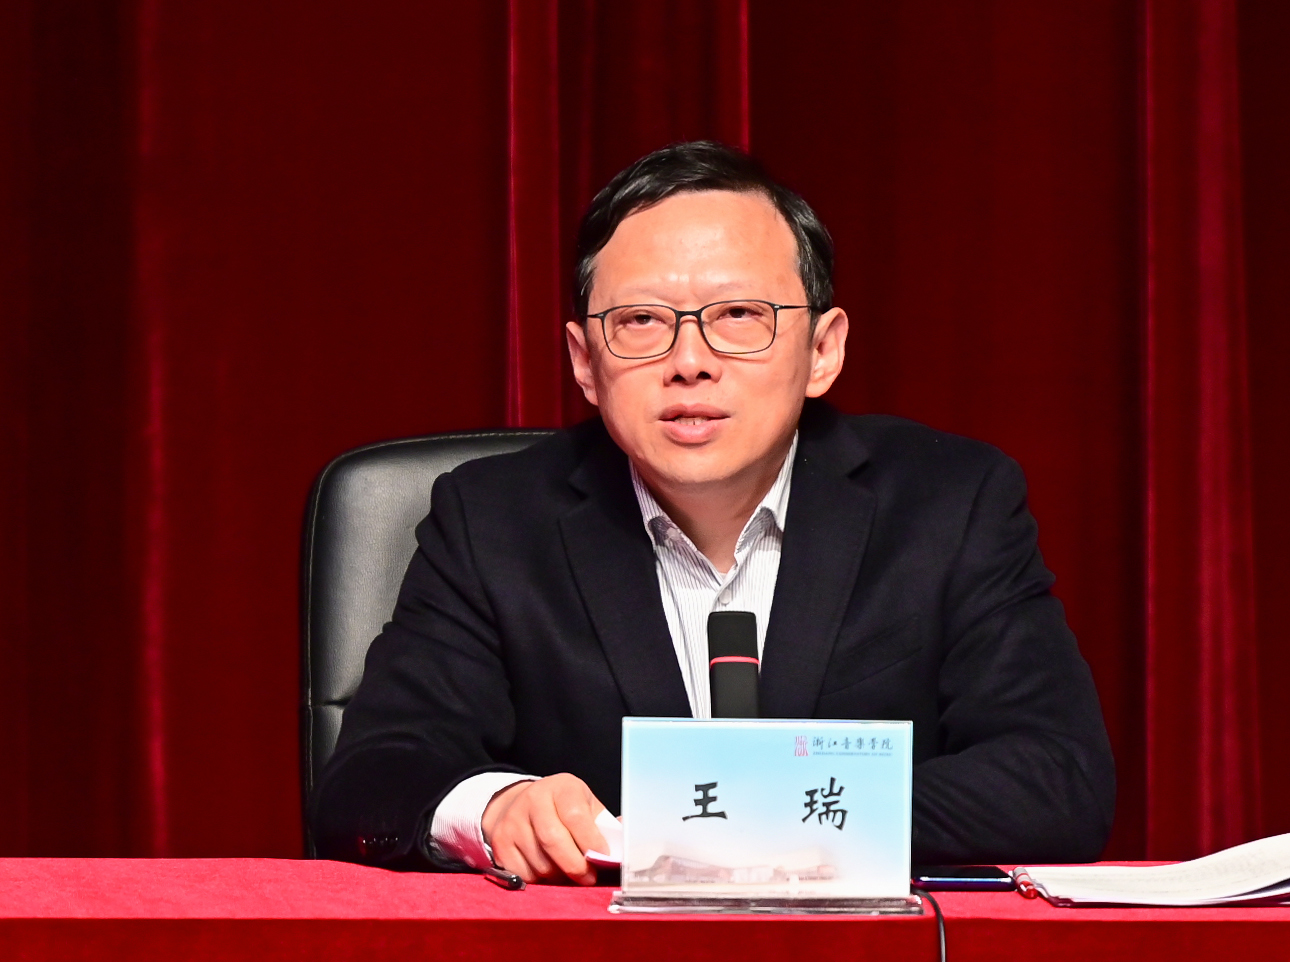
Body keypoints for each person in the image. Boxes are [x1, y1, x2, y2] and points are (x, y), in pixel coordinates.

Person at [311, 141, 1115, 883]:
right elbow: (369, 784)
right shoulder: (492, 522)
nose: (689, 362)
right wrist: (494, 809)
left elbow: (1057, 778)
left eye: (738, 317)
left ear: (823, 350)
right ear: (585, 363)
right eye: (640, 322)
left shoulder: (948, 503)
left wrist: (747, 823)